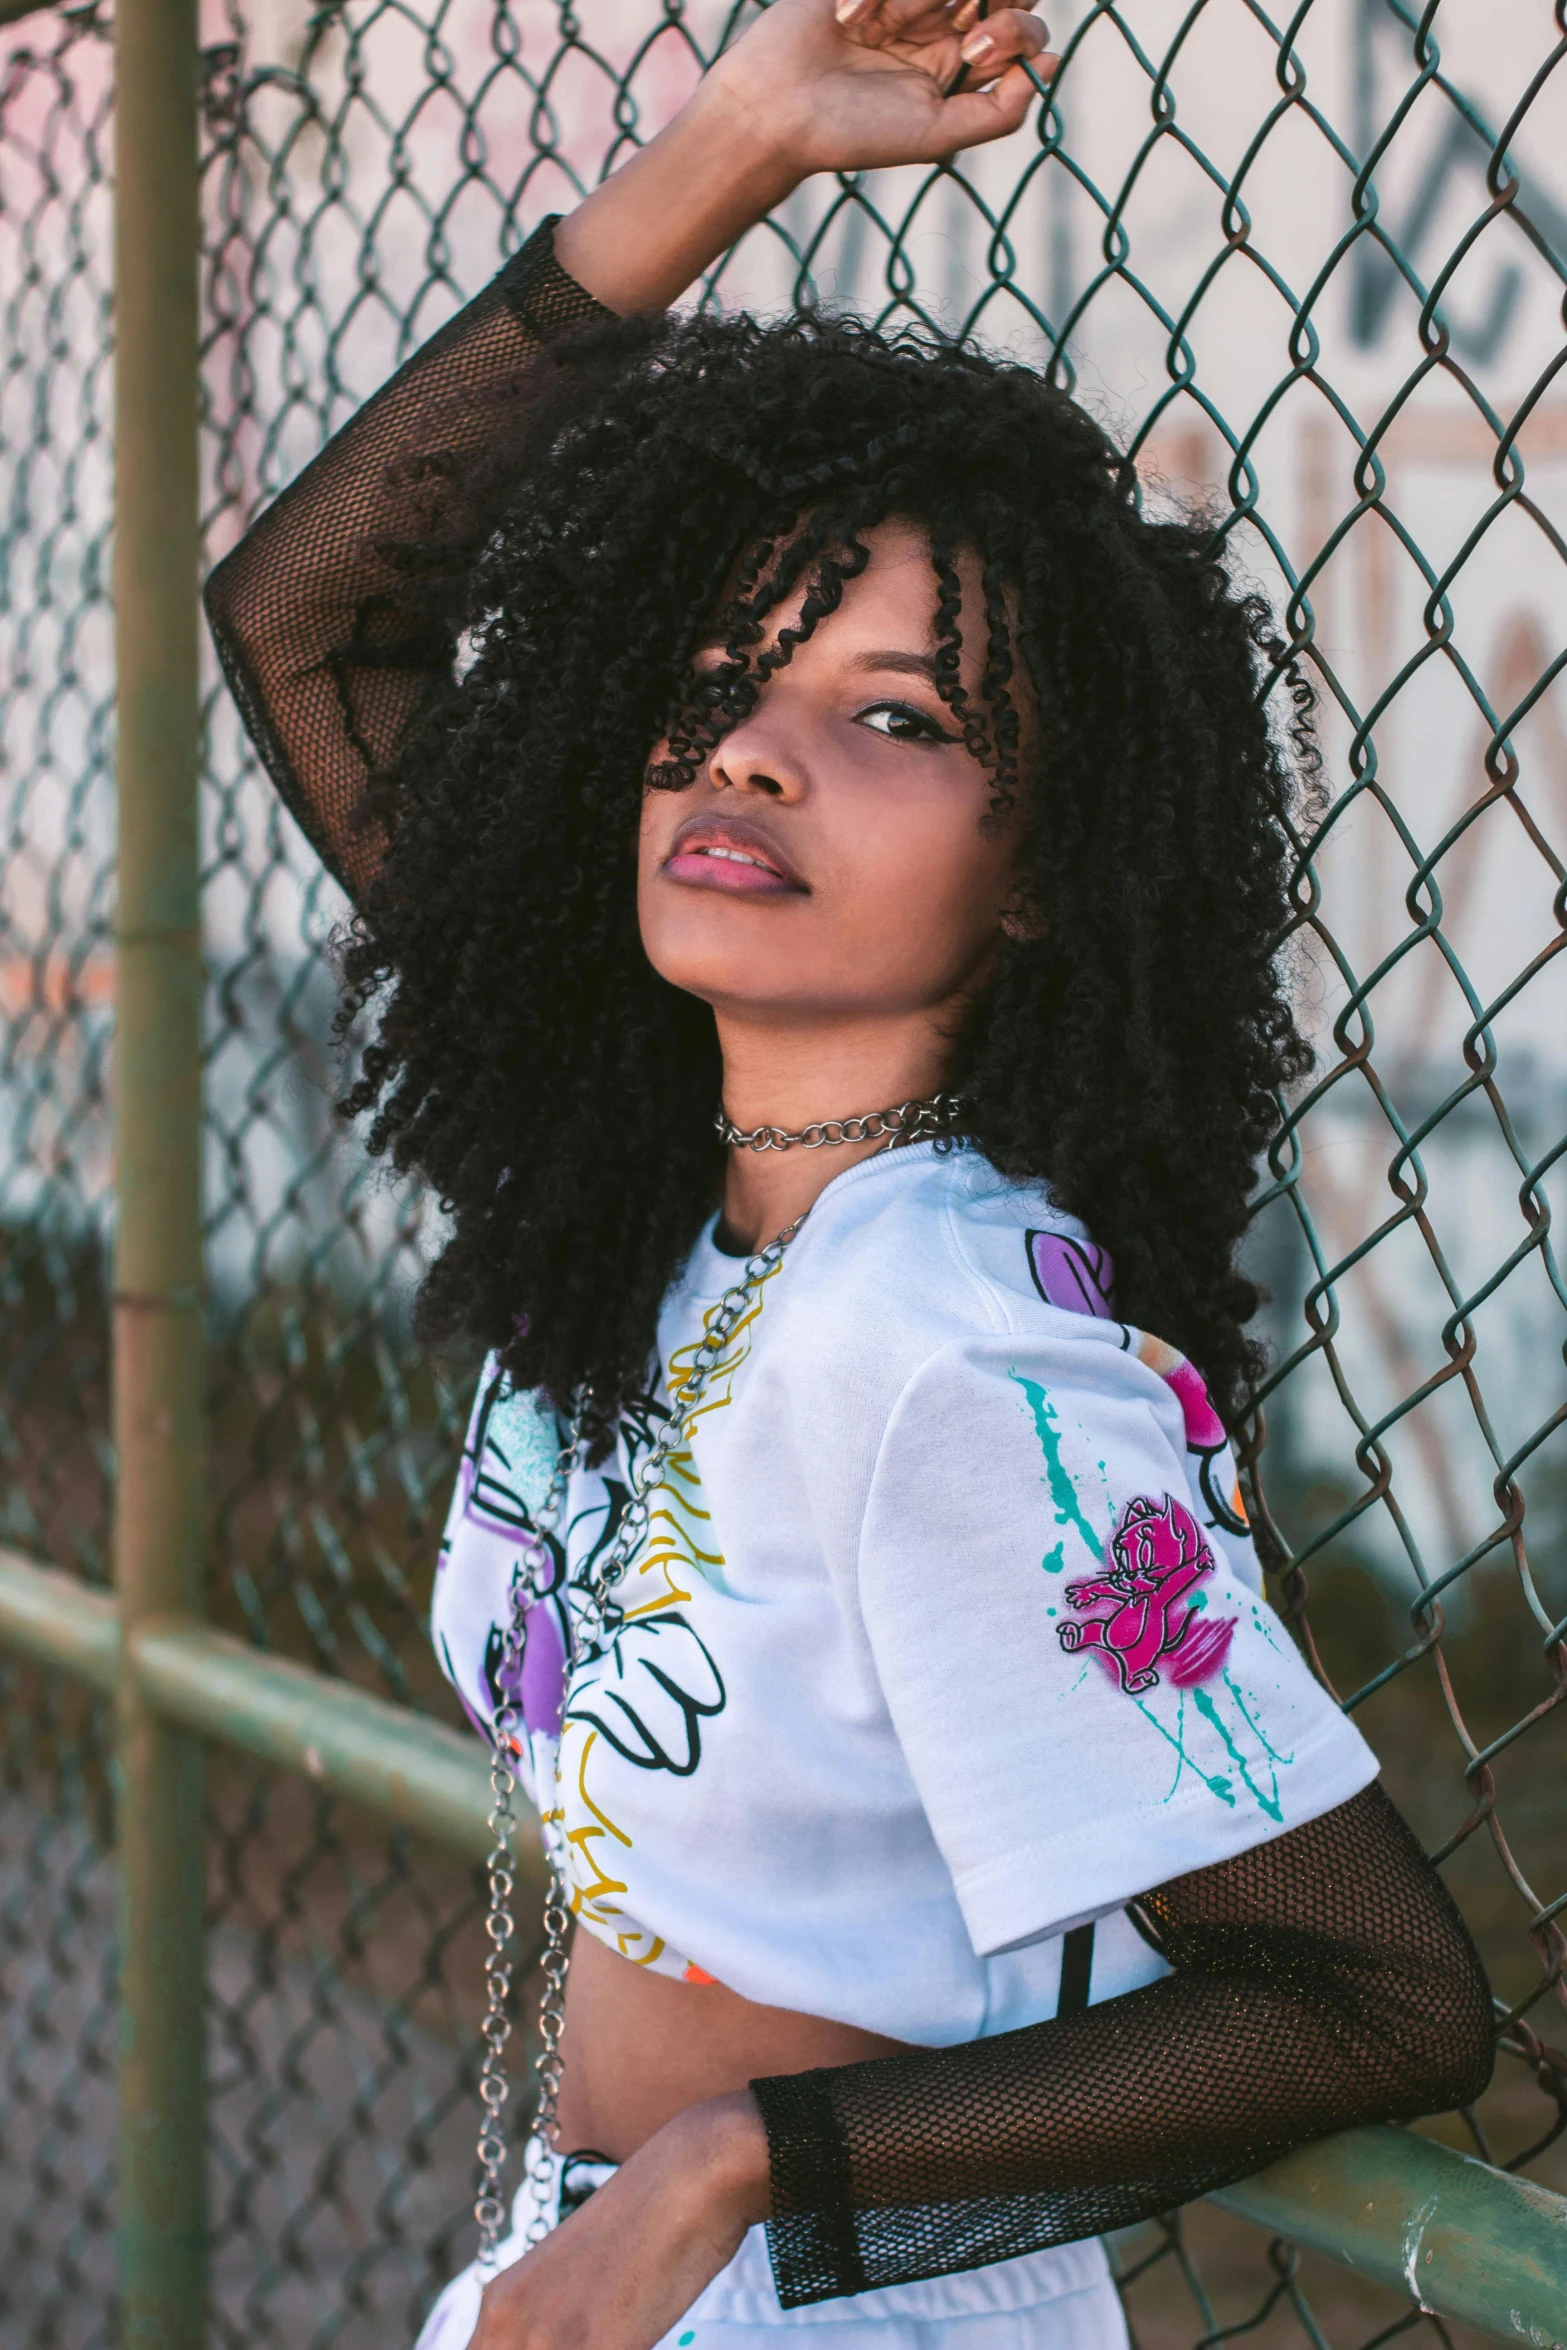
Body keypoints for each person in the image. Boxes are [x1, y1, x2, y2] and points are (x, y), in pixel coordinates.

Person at [203, 2, 1495, 2344]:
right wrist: (743, 140)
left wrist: (722, 2171)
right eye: (721, 669)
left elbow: (1366, 1990)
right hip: (615, 2246)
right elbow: (312, 616)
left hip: (817, 2288)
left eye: (899, 714)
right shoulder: (658, 1171)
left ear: (1040, 868)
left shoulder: (949, 1334)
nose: (760, 749)